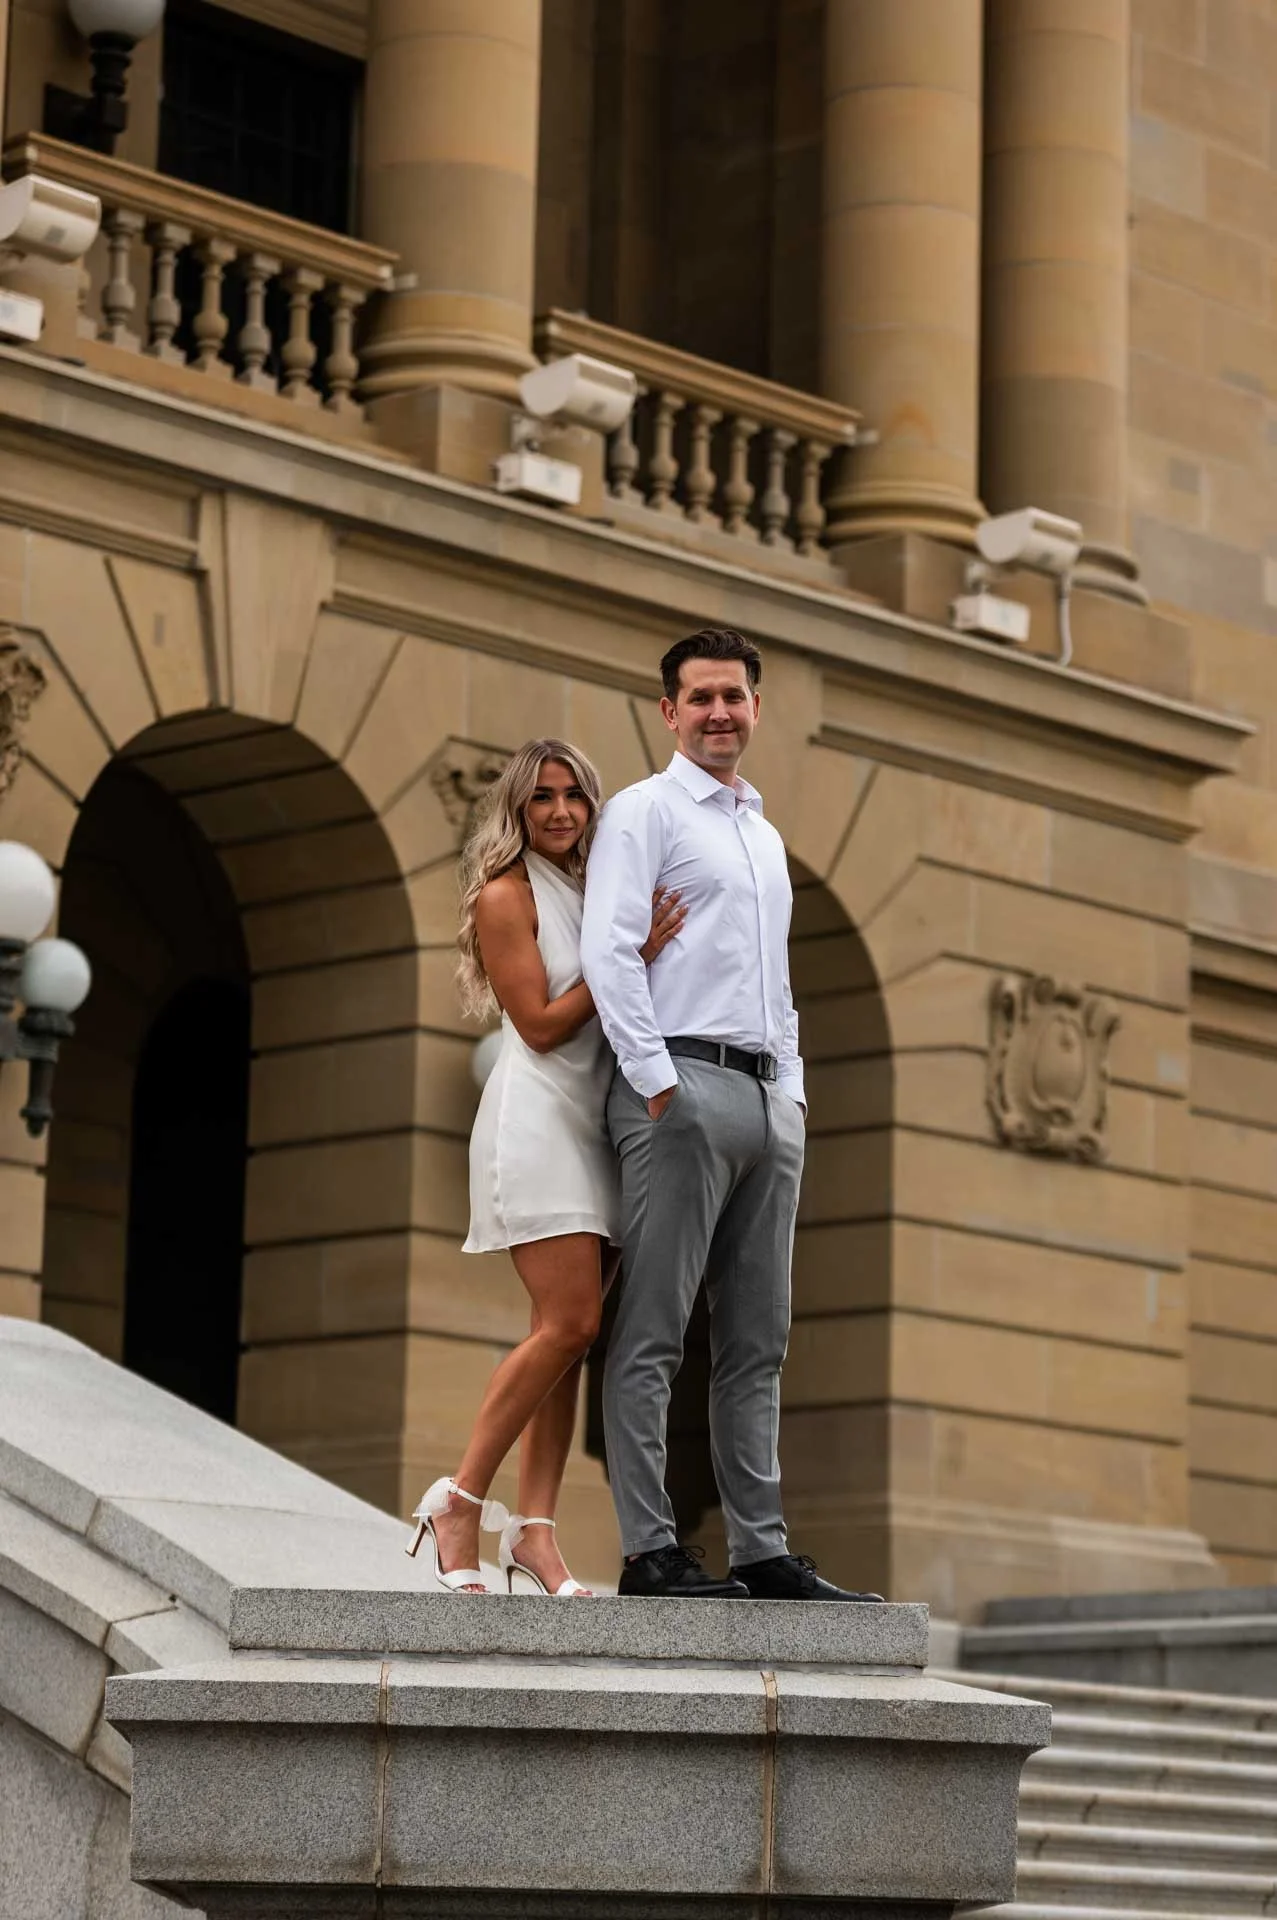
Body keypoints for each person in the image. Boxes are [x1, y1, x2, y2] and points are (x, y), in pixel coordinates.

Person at [580, 628, 883, 1603]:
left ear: (755, 709)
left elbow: (774, 983)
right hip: (678, 1086)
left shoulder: (760, 835)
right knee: (653, 1329)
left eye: (734, 697)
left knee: (757, 1340)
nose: (718, 712)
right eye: (699, 697)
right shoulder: (643, 813)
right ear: (667, 711)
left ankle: (759, 1546)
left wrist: (788, 1094)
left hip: (763, 1100)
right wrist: (653, 1080)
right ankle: (647, 1551)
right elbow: (609, 950)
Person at [406, 738, 686, 1596]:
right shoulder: (505, 894)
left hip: (598, 1127)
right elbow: (536, 1024)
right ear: (518, 811)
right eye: (543, 799)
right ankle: (457, 1501)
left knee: (563, 1341)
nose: (561, 812)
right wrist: (627, 960)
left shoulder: (598, 888)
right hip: (535, 1121)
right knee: (569, 1327)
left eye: (575, 797)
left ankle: (534, 1531)